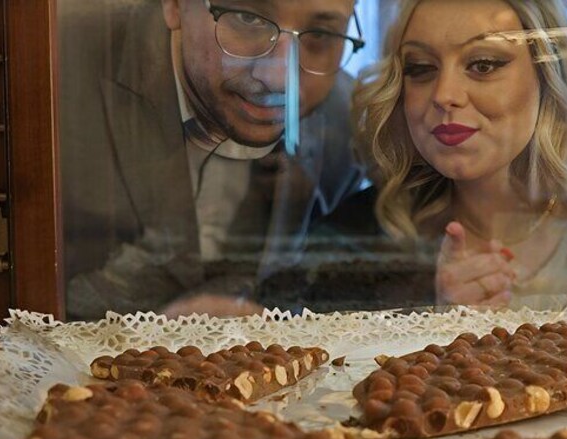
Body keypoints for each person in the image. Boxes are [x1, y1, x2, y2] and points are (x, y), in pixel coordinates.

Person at [60, 0, 365, 319]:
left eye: (320, 34)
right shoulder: (50, 65)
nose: (278, 79)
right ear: (175, 6)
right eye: (248, 18)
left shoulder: (345, 122)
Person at [350, 0, 567, 309]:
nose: (444, 95)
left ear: (548, 75)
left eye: (483, 64)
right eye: (420, 68)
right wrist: (437, 325)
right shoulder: (353, 240)